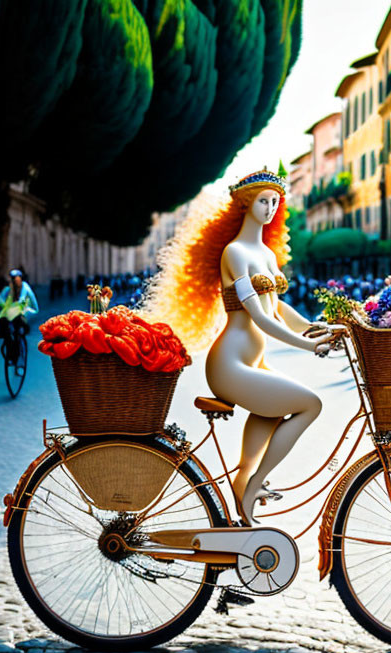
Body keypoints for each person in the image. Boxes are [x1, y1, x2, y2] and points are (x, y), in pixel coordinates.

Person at [142, 168, 338, 526]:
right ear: (246, 204)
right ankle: (253, 486)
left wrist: (317, 327)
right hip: (230, 366)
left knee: (275, 410)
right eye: (263, 200)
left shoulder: (266, 254)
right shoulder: (234, 253)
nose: (269, 207)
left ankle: (244, 480)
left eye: (275, 202)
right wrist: (308, 347)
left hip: (253, 363)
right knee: (310, 404)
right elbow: (260, 319)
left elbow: (277, 308)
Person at [0, 269, 39, 369]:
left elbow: (27, 302)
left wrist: (20, 307)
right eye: (13, 279)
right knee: (6, 331)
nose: (15, 281)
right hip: (13, 314)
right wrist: (1, 303)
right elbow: (0, 297)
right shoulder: (9, 288)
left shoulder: (25, 287)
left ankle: (19, 356)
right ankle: (11, 352)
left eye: (17, 279)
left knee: (18, 331)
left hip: (25, 313)